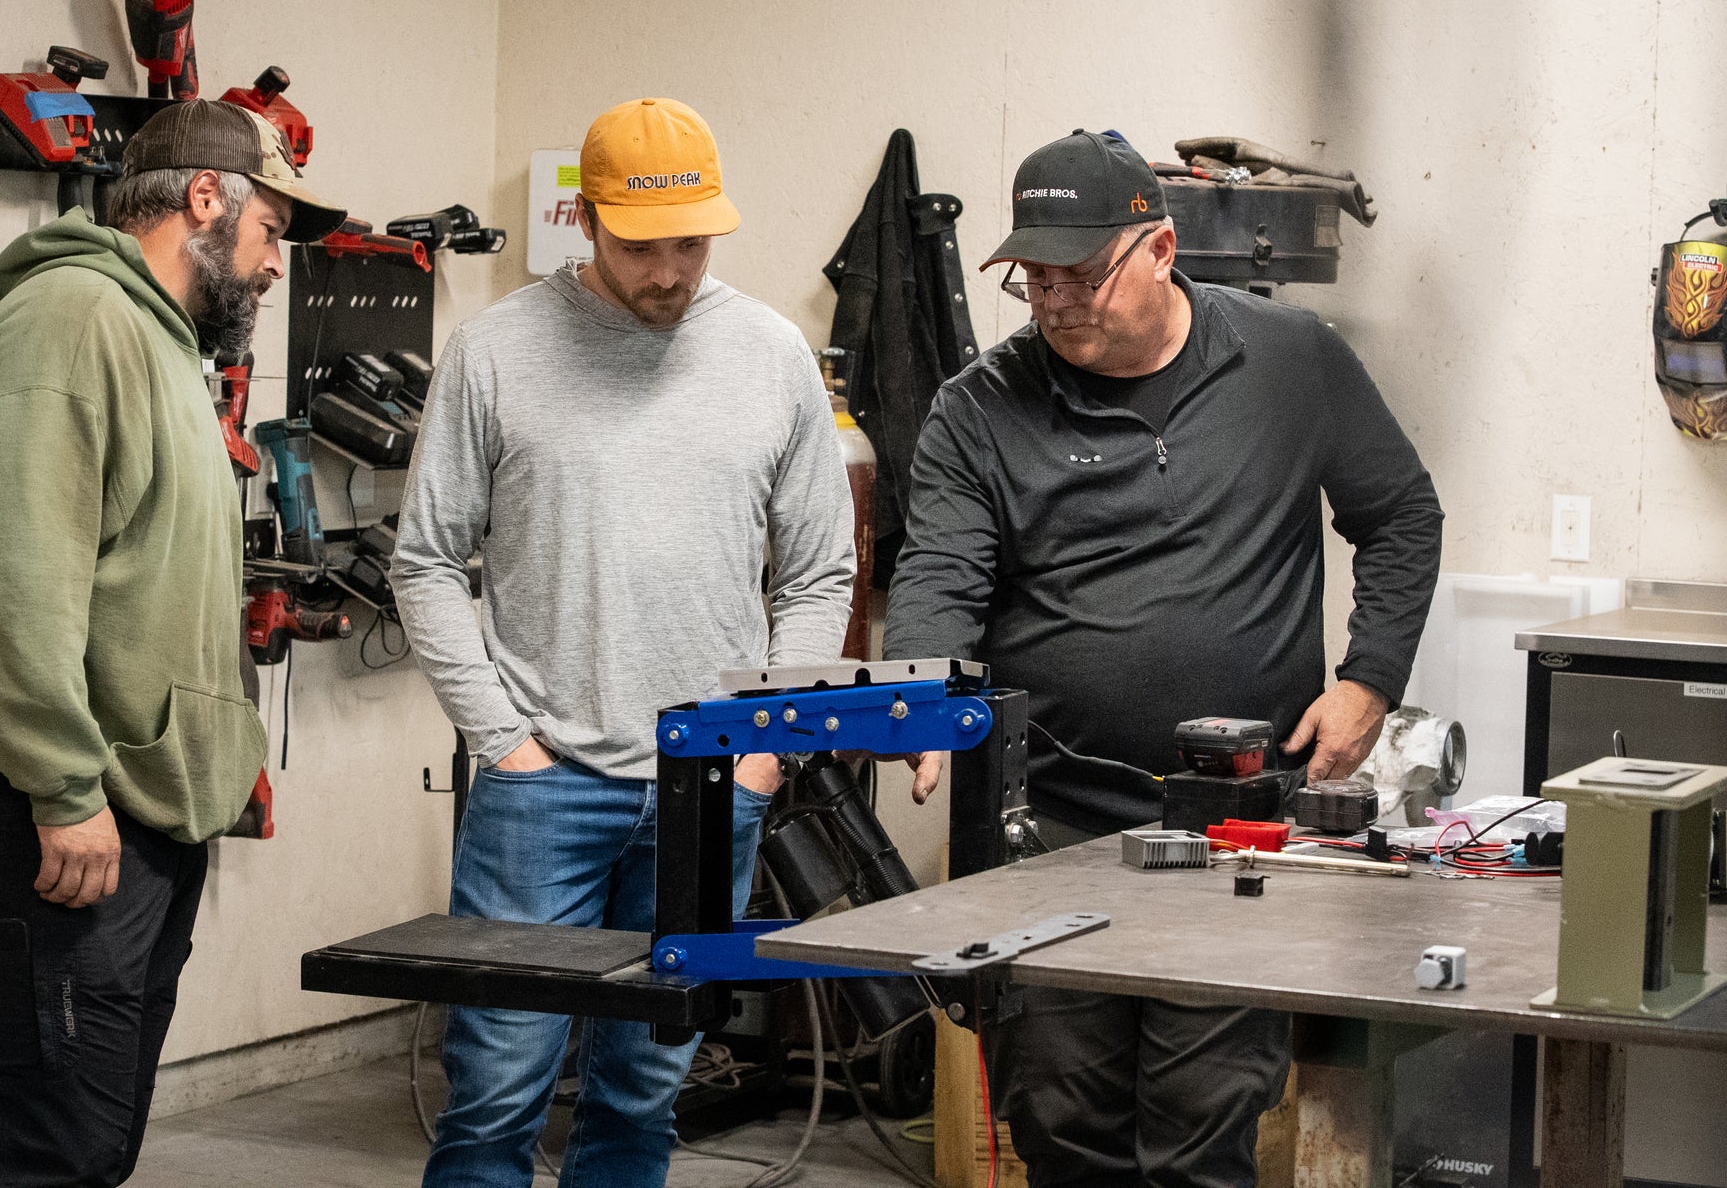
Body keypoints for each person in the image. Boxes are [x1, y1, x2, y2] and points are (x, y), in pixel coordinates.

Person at [882, 129, 1442, 1187]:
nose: (1054, 304)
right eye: (1033, 279)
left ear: (1160, 249)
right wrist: (920, 689)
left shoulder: (1290, 360)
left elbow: (1400, 514)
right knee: (1062, 1128)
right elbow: (940, 574)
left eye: (1080, 276)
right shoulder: (979, 405)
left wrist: (1369, 680)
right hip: (1046, 827)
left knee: (1200, 1130)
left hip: (1233, 829)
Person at [392, 96, 856, 1187]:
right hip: (541, 787)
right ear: (586, 219)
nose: (669, 272)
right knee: (496, 1091)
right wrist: (504, 740)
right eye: (642, 247)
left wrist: (762, 747)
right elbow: (425, 564)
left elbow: (817, 575)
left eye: (691, 244)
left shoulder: (770, 355)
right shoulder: (495, 351)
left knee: (643, 1091)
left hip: (712, 786)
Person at [0, 100, 345, 1187]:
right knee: (39, 1154)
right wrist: (61, 785)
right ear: (205, 199)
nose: (274, 265)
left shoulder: (160, 344)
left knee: (88, 1147)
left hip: (129, 817)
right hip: (50, 810)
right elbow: (5, 575)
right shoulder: (72, 320)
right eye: (270, 231)